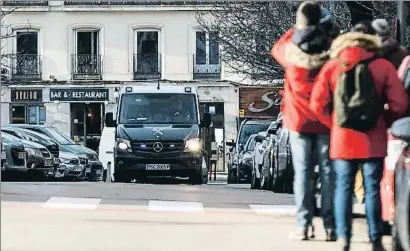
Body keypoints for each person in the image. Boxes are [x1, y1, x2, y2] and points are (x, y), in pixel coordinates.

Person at [309, 21, 409, 251]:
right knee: (372, 187)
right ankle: (375, 239)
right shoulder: (382, 66)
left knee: (343, 186)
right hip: (373, 136)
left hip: (343, 137)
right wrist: (385, 121)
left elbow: (317, 103)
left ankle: (344, 237)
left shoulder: (334, 66)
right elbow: (400, 103)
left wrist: (334, 123)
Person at [271, 1, 336, 241]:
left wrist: (296, 28)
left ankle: (303, 224)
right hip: (326, 120)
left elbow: (276, 46)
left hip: (298, 121)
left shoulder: (290, 52)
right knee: (329, 173)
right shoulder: (331, 52)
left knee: (303, 173)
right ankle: (330, 226)